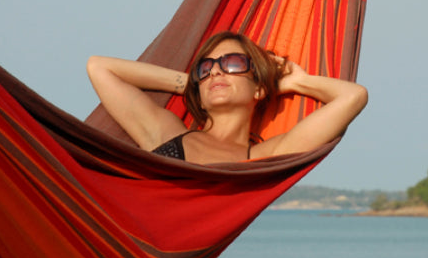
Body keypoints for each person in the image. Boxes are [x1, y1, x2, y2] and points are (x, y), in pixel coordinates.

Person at [86, 30, 368, 165]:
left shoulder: (261, 158)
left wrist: (298, 82)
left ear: (258, 89)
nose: (216, 71)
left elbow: (353, 96)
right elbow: (99, 67)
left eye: (232, 63)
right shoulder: (165, 131)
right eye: (206, 67)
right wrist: (191, 85)